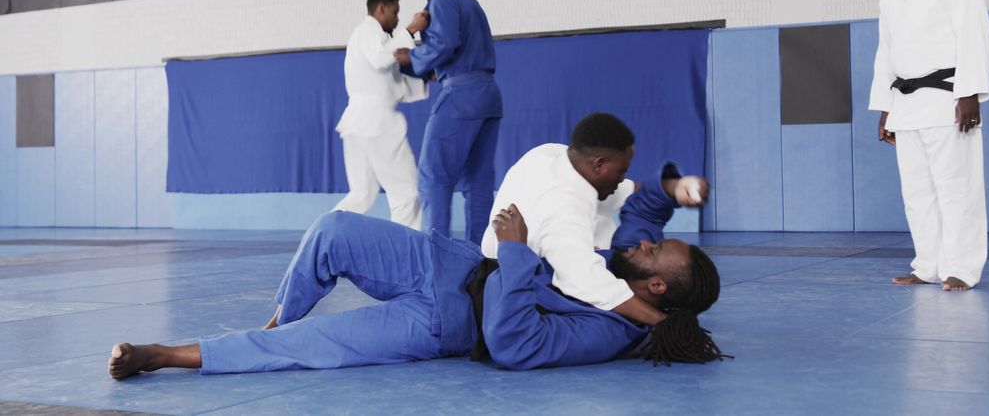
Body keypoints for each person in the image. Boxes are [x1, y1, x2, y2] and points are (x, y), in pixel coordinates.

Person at [107, 164, 725, 379]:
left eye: (653, 254)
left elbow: (515, 344)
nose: (642, 245)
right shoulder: (626, 270)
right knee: (332, 230)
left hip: (440, 322)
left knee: (312, 347)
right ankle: (272, 321)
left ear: (658, 289)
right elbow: (641, 210)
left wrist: (513, 250)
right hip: (442, 260)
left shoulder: (608, 330)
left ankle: (164, 356)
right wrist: (676, 188)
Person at [480, 113, 708, 329]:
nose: (622, 179)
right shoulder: (563, 210)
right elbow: (582, 279)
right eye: (621, 171)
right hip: (516, 287)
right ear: (598, 164)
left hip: (512, 263)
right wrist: (661, 322)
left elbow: (629, 192)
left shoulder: (552, 154)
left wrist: (675, 188)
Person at [870, 0, 989, 291]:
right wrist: (886, 108)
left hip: (947, 100)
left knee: (957, 188)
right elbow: (885, 53)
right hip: (907, 105)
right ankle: (927, 264)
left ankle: (962, 268)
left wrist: (969, 92)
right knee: (917, 192)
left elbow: (973, 36)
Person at [393, 0, 502, 244]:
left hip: (461, 96)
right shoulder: (472, 3)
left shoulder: (441, 1)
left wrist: (412, 57)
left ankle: (437, 257)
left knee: (434, 178)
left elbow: (445, 43)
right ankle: (481, 259)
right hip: (488, 96)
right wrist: (428, 68)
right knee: (478, 184)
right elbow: (460, 48)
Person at [332, 0, 430, 229]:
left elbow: (393, 86)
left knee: (362, 195)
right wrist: (410, 30)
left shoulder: (376, 39)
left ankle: (321, 240)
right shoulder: (368, 32)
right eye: (395, 13)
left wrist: (429, 75)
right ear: (381, 9)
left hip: (358, 123)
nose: (397, 20)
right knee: (407, 195)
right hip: (376, 123)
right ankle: (406, 254)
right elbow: (381, 58)